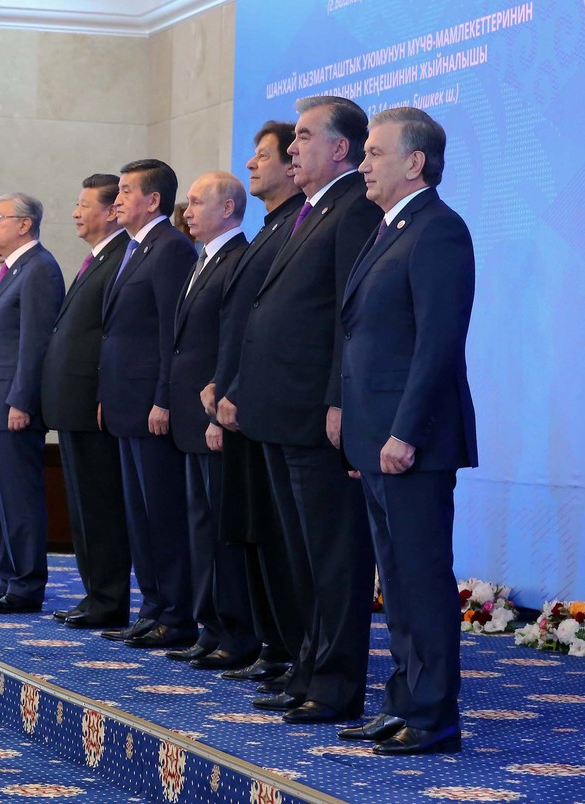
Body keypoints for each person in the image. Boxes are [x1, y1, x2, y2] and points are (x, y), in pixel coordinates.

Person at [221, 96, 381, 723]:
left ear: (340, 149)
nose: (292, 148)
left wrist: (339, 400)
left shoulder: (353, 208)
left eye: (306, 136)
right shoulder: (311, 211)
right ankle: (308, 669)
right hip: (281, 413)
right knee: (303, 557)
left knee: (333, 557)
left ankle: (336, 685)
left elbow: (349, 316)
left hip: (316, 415)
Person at [338, 107, 477, 755]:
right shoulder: (389, 228)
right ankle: (403, 701)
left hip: (412, 442)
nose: (363, 164)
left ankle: (433, 716)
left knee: (421, 578)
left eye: (374, 153)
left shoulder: (438, 229)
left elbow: (438, 344)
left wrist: (404, 433)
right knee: (394, 581)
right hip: (378, 439)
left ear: (414, 162)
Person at [210, 121, 305, 685]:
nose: (251, 164)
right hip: (240, 403)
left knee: (273, 534)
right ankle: (273, 643)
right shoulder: (271, 228)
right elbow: (240, 323)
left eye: (263, 156)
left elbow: (277, 327)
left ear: (293, 166)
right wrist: (219, 382)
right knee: (252, 531)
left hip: (261, 403)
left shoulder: (295, 227)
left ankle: (286, 647)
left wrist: (236, 388)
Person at [98, 159, 199, 648]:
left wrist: (163, 398)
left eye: (125, 191)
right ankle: (152, 607)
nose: (116, 200)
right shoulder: (134, 247)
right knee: (139, 517)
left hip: (151, 407)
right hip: (125, 403)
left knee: (162, 515)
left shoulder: (171, 247)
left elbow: (170, 333)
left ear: (153, 200)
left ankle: (175, 615)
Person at [165, 171, 258, 669]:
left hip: (214, 417)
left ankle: (235, 631)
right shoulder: (201, 259)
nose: (187, 211)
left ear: (227, 209)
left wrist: (217, 411)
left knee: (222, 531)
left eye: (197, 202)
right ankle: (210, 625)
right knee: (200, 528)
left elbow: (231, 342)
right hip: (190, 418)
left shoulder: (238, 259)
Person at [0, 192, 65, 613]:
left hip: (12, 406)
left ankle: (25, 584)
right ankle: (6, 574)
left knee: (19, 498)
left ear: (24, 224)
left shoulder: (39, 268)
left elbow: (36, 343)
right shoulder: (11, 269)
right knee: (1, 498)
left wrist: (22, 400)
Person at [40, 174, 132, 629]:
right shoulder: (97, 257)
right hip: (73, 405)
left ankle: (108, 599)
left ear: (111, 211)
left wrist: (101, 394)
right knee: (82, 508)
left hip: (94, 407)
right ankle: (95, 593)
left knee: (100, 507)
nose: (75, 213)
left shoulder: (121, 257)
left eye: (84, 205)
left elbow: (113, 337)